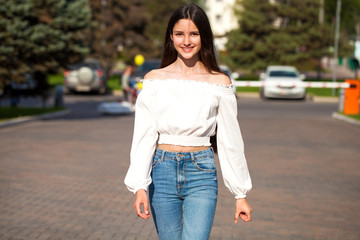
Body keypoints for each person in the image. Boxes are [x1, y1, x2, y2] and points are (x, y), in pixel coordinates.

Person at [124, 4, 252, 240]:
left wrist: (240, 194)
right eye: (180, 34)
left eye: (194, 33)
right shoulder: (154, 81)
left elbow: (230, 141)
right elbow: (144, 137)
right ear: (171, 37)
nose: (187, 41)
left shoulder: (219, 82)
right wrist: (139, 185)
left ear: (204, 37)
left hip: (201, 173)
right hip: (161, 171)